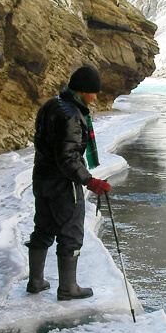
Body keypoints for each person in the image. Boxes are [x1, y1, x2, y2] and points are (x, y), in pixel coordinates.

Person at [26, 65, 111, 301]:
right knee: (70, 231)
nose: (96, 97)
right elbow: (68, 158)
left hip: (41, 178)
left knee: (43, 227)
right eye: (94, 92)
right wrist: (90, 181)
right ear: (84, 91)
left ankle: (35, 281)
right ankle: (68, 288)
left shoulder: (51, 105)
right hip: (63, 184)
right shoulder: (73, 115)